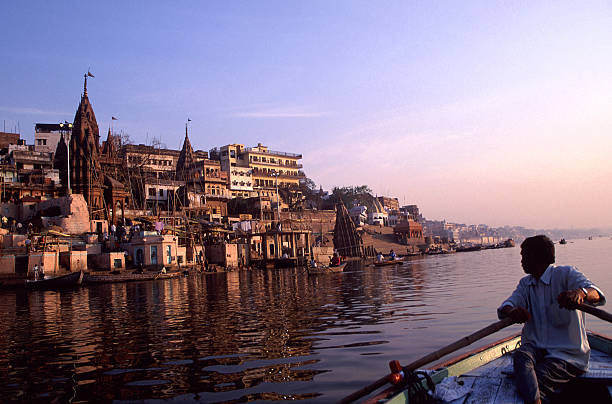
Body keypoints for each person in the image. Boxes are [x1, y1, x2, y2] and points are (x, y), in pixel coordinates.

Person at [498, 235, 605, 404]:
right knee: (521, 357)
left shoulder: (567, 274)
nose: (521, 261)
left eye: (524, 256)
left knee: (533, 382)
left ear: (536, 257)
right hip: (536, 349)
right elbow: (508, 304)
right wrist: (512, 311)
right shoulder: (526, 284)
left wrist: (580, 294)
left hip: (567, 355)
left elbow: (596, 293)